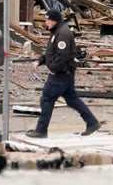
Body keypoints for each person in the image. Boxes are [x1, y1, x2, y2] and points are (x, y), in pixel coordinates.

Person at [25, 10, 101, 138]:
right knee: (72, 99)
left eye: (47, 20)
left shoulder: (62, 34)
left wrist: (53, 68)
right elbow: (52, 52)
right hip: (64, 72)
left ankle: (41, 130)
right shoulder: (57, 32)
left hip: (60, 73)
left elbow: (62, 55)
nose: (46, 22)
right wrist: (41, 61)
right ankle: (92, 122)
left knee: (47, 99)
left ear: (53, 20)